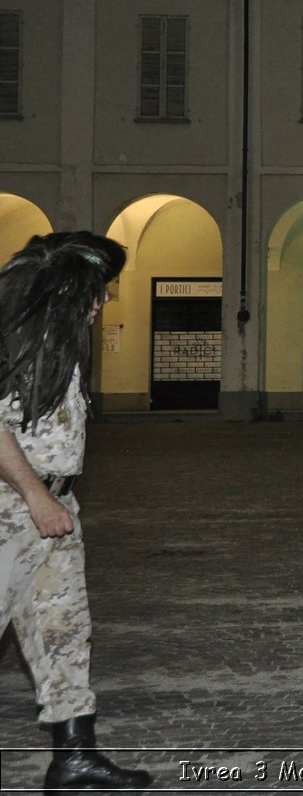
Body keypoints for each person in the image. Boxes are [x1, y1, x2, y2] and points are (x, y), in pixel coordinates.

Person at [0, 232, 152, 791]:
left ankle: (75, 757)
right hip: (14, 507)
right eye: (96, 293)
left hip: (53, 506)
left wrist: (54, 499)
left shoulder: (57, 340)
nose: (101, 304)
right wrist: (37, 497)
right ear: (67, 290)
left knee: (64, 632)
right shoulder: (15, 339)